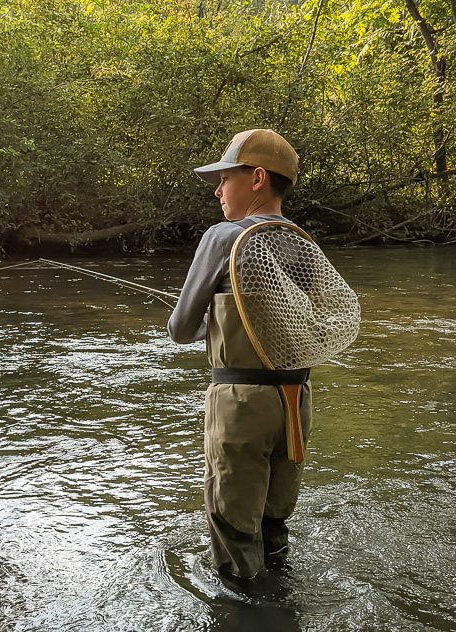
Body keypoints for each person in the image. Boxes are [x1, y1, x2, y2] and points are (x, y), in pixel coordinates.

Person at [168, 128, 312, 581]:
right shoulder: (304, 243)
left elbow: (181, 329)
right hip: (296, 404)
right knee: (273, 526)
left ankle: (245, 615)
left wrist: (212, 318)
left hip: (241, 405)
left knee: (233, 533)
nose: (217, 189)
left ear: (256, 178)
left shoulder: (222, 236)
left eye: (225, 177)